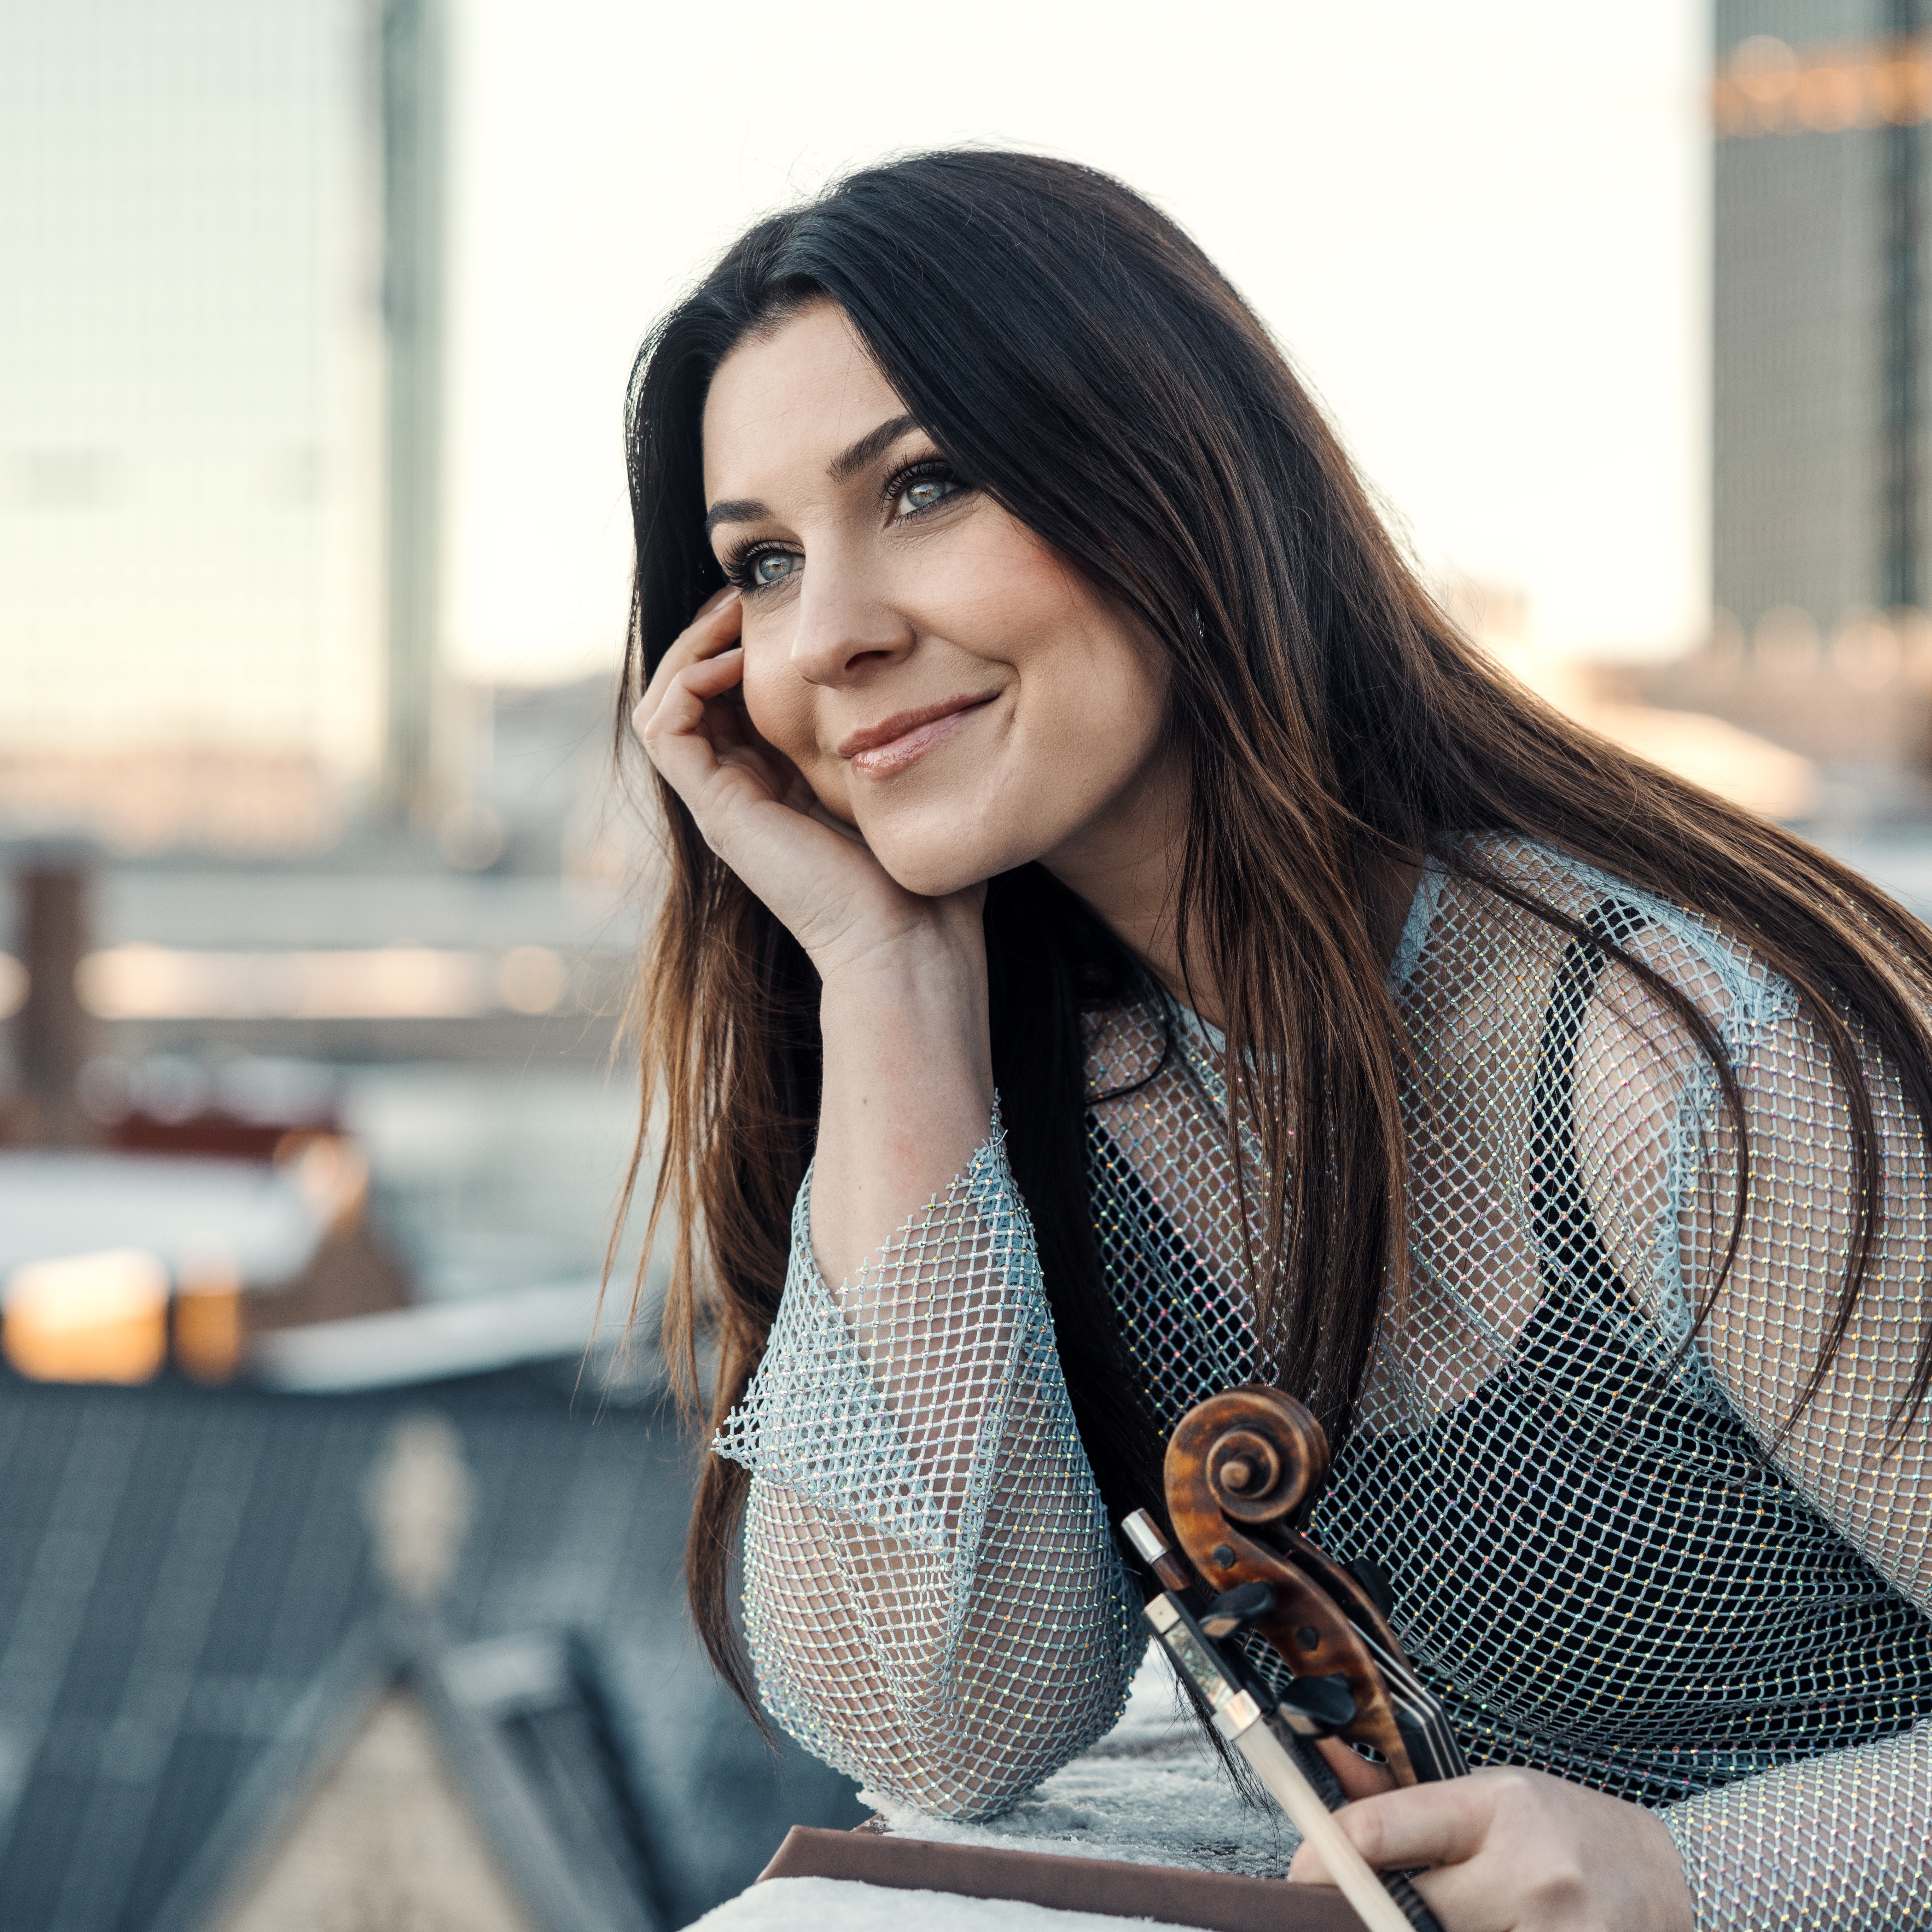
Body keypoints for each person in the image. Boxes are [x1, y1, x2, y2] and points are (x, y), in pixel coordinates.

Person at [618, 150, 1932, 1931]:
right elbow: (930, 1719)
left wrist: (1694, 1875)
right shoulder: (1029, 1089)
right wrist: (884, 973)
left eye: (924, 486)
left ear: (1169, 478)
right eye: (760, 565)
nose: (830, 634)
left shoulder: (1661, 1059)